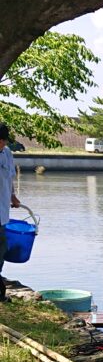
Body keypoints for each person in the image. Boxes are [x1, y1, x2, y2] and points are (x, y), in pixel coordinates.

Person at [0, 123, 21, 303]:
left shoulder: (7, 154)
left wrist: (13, 196)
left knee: (2, 249)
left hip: (2, 214)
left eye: (3, 141)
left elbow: (9, 179)